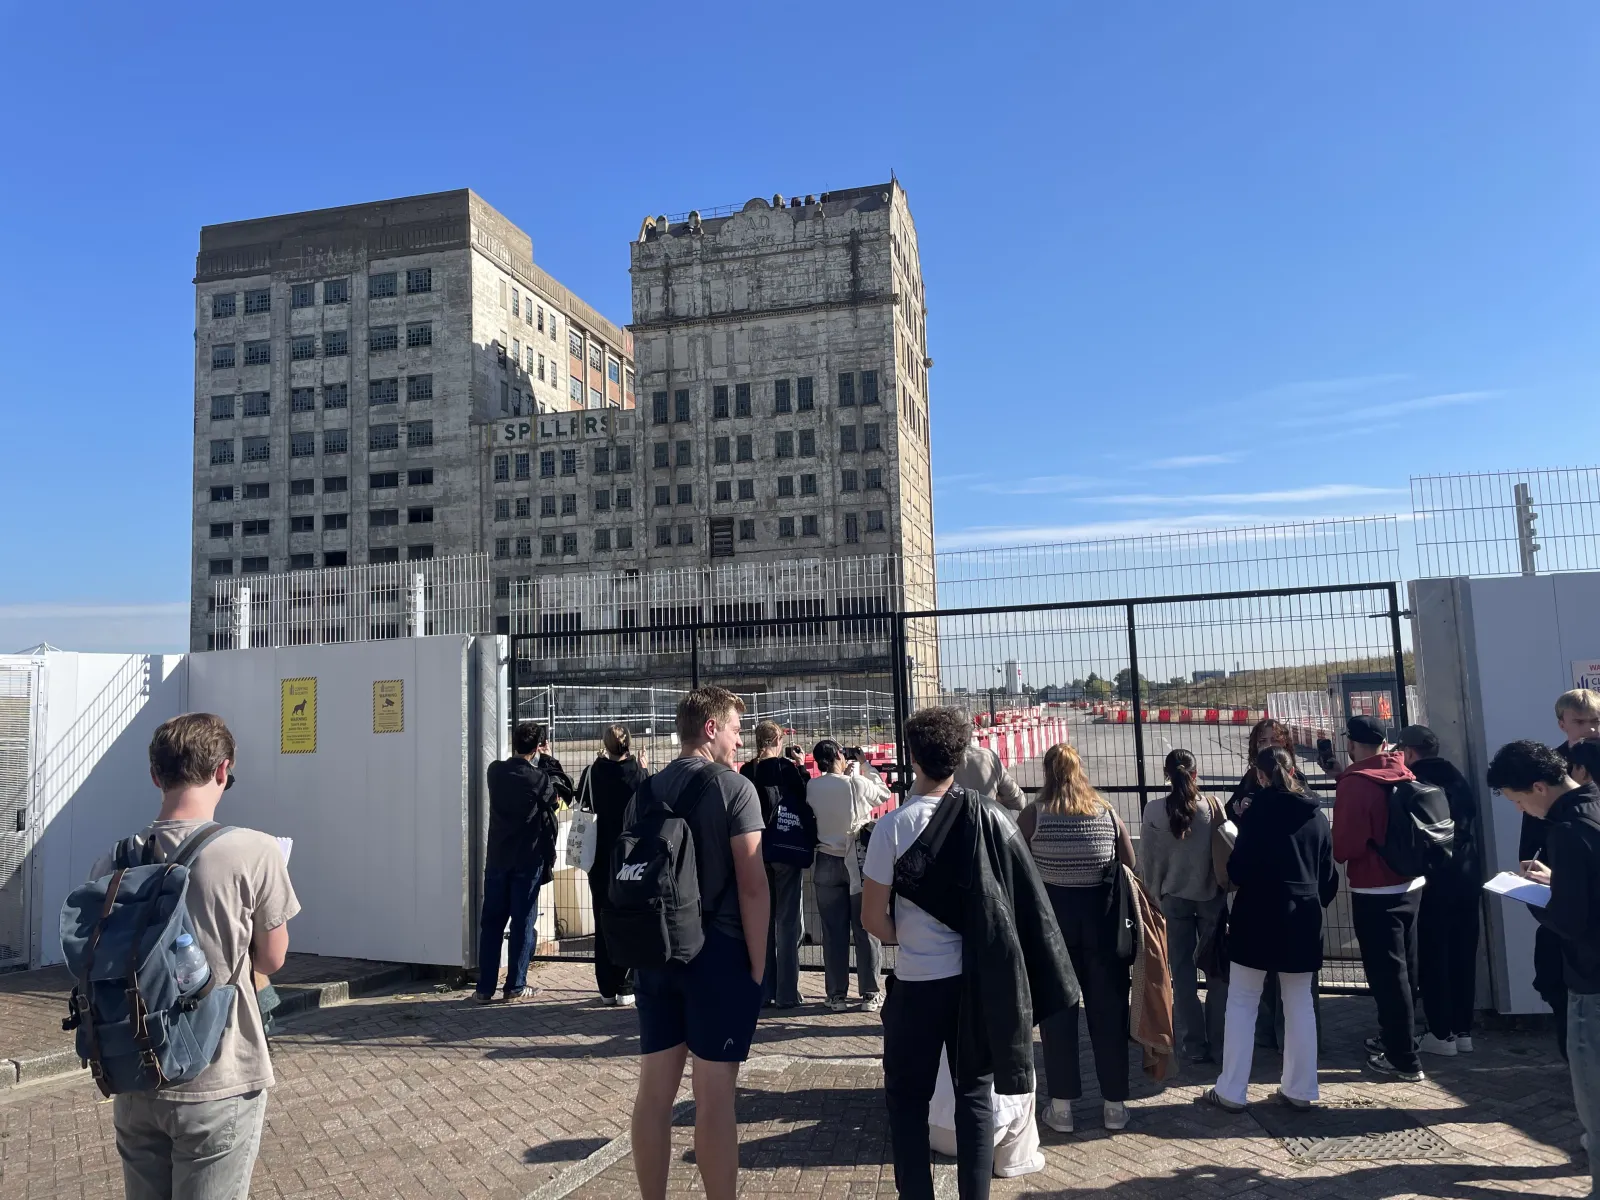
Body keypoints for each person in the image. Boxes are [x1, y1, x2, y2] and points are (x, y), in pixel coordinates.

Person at [861, 707, 1076, 1200]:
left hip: (916, 984)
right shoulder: (994, 820)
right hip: (975, 984)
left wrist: (907, 937)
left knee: (907, 1101)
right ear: (961, 757)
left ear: (912, 758)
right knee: (975, 1097)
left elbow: (873, 920)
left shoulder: (891, 828)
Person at [90, 713, 299, 1200]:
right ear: (222, 770)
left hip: (135, 1072)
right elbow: (271, 960)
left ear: (155, 775)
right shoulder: (254, 850)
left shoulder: (116, 860)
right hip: (218, 1075)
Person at [630, 686, 768, 1200]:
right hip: (718, 954)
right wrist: (758, 966)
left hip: (657, 952)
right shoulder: (735, 790)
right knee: (713, 1099)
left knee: (653, 1095)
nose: (739, 739)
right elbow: (753, 884)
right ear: (710, 728)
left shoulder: (646, 790)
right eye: (735, 728)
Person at [1486, 740, 1600, 1194]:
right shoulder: (1594, 804)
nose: (1521, 811)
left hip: (1591, 976)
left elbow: (1570, 921)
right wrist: (1560, 879)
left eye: (1518, 801)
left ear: (1538, 786)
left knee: (1592, 1096)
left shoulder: (1566, 830)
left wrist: (1529, 898)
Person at [1203, 747, 1339, 1112]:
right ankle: (1301, 1088)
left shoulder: (1257, 814)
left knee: (1243, 1000)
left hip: (1258, 915)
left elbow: (1239, 870)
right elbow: (1329, 877)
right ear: (1294, 770)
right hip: (1304, 916)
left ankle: (1231, 1089)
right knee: (1300, 1003)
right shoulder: (1316, 813)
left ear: (1260, 776)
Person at [1018, 743, 1136, 1133]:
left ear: (1047, 773)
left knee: (1058, 1017)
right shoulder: (1106, 813)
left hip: (1054, 928)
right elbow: (1129, 864)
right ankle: (1115, 1105)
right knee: (1108, 1015)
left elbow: (1018, 866)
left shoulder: (1034, 816)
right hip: (1103, 927)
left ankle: (1063, 1107)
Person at [1331, 715, 1426, 1082]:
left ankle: (1404, 1059)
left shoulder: (1355, 784)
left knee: (1387, 975)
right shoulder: (1402, 770)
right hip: (1411, 882)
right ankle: (1399, 1037)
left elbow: (1344, 848)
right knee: (1407, 968)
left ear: (1353, 745)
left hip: (1375, 888)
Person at [1395, 724, 1482, 1056]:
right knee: (1463, 953)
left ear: (1410, 752)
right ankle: (1463, 1031)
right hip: (1468, 876)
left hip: (1434, 880)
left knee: (1434, 955)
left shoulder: (1414, 784)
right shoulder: (1458, 779)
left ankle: (1440, 1032)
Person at [1525, 689, 1600, 1060]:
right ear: (1562, 723)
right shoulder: (1548, 769)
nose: (1590, 728)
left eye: (1595, 721)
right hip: (1565, 900)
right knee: (1559, 987)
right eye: (1581, 721)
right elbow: (1534, 835)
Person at [1141, 748, 1228, 1065]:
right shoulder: (1212, 808)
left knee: (1182, 972)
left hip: (1173, 898)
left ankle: (1193, 1043)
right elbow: (1224, 850)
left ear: (1167, 774)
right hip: (1210, 896)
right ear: (1196, 773)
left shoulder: (1153, 811)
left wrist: (1154, 894)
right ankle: (1220, 1042)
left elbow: (1149, 861)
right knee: (1217, 971)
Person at [477, 722, 562, 1003]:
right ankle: (515, 985)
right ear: (538, 746)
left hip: (498, 856)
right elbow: (554, 799)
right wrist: (547, 760)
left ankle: (484, 987)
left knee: (491, 923)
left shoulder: (495, 771)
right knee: (522, 921)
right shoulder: (537, 778)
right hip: (527, 858)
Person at [807, 738, 887, 1011]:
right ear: (840, 755)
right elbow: (884, 793)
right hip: (856, 858)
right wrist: (864, 766)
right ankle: (870, 992)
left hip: (826, 859)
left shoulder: (812, 786)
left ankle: (836, 994)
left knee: (833, 931)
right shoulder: (855, 783)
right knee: (865, 927)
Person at [740, 720, 814, 1008]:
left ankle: (764, 989)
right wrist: (800, 765)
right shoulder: (787, 769)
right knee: (787, 923)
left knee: (764, 922)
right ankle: (787, 992)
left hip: (758, 851)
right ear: (777, 741)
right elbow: (805, 798)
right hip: (787, 849)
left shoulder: (748, 770)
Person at [581, 724, 649, 1006]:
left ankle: (606, 986)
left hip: (599, 857)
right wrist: (643, 768)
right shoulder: (639, 775)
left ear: (605, 745)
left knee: (602, 918)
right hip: (631, 856)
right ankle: (627, 983)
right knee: (632, 919)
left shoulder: (591, 773)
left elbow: (582, 802)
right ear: (629, 745)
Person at [953, 740, 1025, 813]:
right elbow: (1019, 801)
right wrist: (994, 801)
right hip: (986, 819)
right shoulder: (986, 756)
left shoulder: (943, 760)